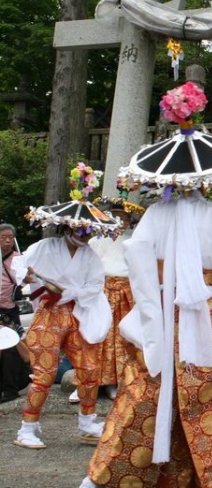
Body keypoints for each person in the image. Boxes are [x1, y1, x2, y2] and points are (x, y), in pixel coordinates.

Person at [80, 81, 212, 488]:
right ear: (210, 176)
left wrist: (150, 307)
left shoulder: (154, 217)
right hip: (205, 319)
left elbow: (138, 264)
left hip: (157, 316)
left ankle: (104, 479)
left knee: (142, 401)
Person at [12, 163, 121, 449]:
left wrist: (70, 291)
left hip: (78, 313)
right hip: (49, 314)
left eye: (88, 230)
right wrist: (29, 276)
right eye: (81, 228)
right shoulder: (46, 247)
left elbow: (95, 286)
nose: (85, 234)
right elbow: (19, 265)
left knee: (89, 370)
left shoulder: (90, 257)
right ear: (69, 226)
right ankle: (27, 427)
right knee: (44, 374)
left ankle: (87, 423)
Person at [89, 197, 145, 402]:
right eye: (117, 216)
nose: (122, 221)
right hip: (104, 292)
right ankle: (102, 381)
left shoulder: (135, 241)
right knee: (103, 337)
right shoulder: (97, 240)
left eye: (125, 217)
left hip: (129, 292)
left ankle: (125, 379)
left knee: (127, 338)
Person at [0, 223, 31, 403]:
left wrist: (28, 276)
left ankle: (10, 389)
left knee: (11, 347)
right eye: (3, 237)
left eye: (10, 237)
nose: (7, 240)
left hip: (8, 310)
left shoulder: (18, 258)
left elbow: (25, 278)